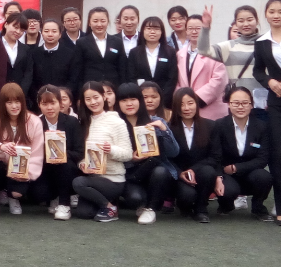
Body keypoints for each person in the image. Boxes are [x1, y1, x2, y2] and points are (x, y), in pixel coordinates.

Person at [113, 83, 179, 224]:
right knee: (135, 198)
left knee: (161, 171)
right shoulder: (115, 125)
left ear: (140, 101)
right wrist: (131, 158)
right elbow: (111, 155)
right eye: (124, 100)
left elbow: (174, 152)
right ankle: (140, 203)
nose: (129, 104)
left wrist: (164, 130)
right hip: (129, 174)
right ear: (118, 103)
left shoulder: (155, 121)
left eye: (133, 99)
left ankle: (150, 209)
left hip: (152, 173)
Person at [71, 81, 133, 222]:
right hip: (93, 178)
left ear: (104, 97)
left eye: (96, 97)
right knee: (84, 213)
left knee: (78, 182)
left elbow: (128, 154)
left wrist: (110, 149)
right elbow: (81, 153)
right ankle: (108, 204)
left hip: (113, 179)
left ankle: (110, 207)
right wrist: (82, 164)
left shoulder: (116, 122)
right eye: (88, 99)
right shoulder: (83, 122)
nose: (93, 102)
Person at [152, 88, 216, 223]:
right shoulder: (169, 128)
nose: (186, 108)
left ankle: (201, 209)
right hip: (179, 176)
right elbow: (166, 158)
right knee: (187, 197)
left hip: (201, 172)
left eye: (190, 103)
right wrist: (180, 173)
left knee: (209, 171)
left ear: (196, 104)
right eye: (181, 104)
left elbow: (215, 156)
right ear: (175, 107)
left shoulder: (210, 126)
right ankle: (183, 205)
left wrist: (194, 169)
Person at [0, 83, 44, 220]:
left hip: (21, 169)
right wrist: (0, 147)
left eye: (17, 101)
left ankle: (12, 197)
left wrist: (27, 174)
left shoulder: (34, 121)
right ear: (3, 104)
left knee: (18, 193)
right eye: (9, 102)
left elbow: (37, 154)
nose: (14, 106)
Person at [211, 87, 273, 221]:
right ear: (229, 104)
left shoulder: (261, 127)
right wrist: (219, 176)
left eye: (245, 103)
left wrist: (236, 168)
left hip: (251, 172)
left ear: (251, 105)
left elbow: (262, 159)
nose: (240, 107)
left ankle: (258, 208)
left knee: (264, 177)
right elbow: (216, 156)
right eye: (236, 103)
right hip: (226, 174)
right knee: (228, 191)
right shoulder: (219, 125)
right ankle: (225, 206)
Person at [200, 5, 266, 116]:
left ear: (257, 20)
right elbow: (203, 50)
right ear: (235, 23)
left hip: (263, 105)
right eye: (241, 21)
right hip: (238, 104)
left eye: (250, 20)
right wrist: (206, 27)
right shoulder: (228, 46)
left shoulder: (268, 43)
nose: (245, 24)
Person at [32, 85, 83, 221]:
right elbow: (32, 152)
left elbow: (80, 152)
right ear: (39, 105)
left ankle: (64, 204)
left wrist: (61, 153)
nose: (49, 108)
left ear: (60, 103)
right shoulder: (36, 123)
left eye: (53, 103)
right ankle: (54, 197)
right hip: (44, 169)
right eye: (45, 104)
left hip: (67, 168)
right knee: (39, 195)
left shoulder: (72, 122)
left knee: (65, 164)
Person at [252, 0, 281, 223]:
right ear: (266, 14)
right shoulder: (262, 42)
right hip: (276, 102)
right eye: (272, 11)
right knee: (277, 154)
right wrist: (269, 82)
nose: (277, 15)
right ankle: (279, 207)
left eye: (280, 11)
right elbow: (258, 71)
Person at [177, 14, 229, 119]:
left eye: (198, 28)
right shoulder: (179, 54)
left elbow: (219, 80)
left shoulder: (215, 52)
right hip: (186, 108)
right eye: (190, 28)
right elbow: (177, 80)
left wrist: (195, 99)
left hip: (209, 107)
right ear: (186, 31)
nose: (194, 32)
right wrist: (183, 99)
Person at [126, 17, 178, 108]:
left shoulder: (170, 52)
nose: (152, 32)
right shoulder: (134, 52)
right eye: (149, 28)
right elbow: (131, 77)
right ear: (143, 31)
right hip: (141, 99)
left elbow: (172, 78)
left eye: (156, 29)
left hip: (165, 100)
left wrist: (162, 98)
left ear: (162, 32)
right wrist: (140, 96)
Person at [31, 19, 80, 104]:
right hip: (40, 100)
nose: (50, 34)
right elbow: (31, 79)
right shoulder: (34, 53)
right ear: (41, 33)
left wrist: (63, 95)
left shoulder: (70, 54)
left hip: (63, 100)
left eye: (54, 31)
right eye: (46, 31)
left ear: (60, 34)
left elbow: (74, 79)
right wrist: (39, 95)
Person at [77, 7, 125, 86]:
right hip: (91, 87)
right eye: (95, 21)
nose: (99, 24)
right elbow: (78, 70)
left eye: (103, 21)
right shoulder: (81, 42)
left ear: (108, 22)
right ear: (89, 23)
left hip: (113, 86)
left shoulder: (117, 42)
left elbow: (122, 67)